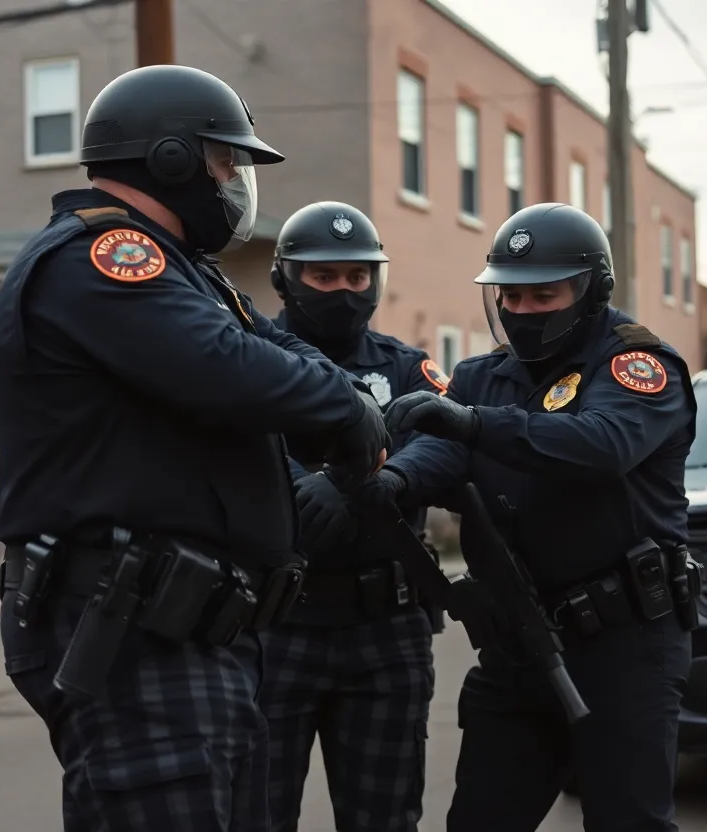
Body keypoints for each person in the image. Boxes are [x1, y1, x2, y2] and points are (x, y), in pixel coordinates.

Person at [0, 65, 390, 832]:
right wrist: (343, 409)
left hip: (199, 632)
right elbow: (237, 371)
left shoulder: (193, 278)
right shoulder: (101, 259)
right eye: (226, 161)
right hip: (134, 630)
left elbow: (288, 360)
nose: (236, 182)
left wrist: (333, 406)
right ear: (169, 159)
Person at [352, 203, 698, 831]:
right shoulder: (485, 375)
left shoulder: (634, 367)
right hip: (518, 641)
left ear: (591, 292)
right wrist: (395, 478)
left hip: (622, 646)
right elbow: (442, 445)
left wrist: (478, 424)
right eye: (510, 297)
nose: (524, 311)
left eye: (545, 295)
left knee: (629, 820)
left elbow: (601, 446)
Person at [257, 201, 450, 832]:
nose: (343, 291)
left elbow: (445, 440)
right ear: (286, 278)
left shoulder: (405, 365)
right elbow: (224, 439)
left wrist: (372, 479)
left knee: (385, 816)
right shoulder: (249, 357)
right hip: (273, 624)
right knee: (253, 811)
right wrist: (295, 488)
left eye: (356, 277)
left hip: (385, 630)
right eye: (324, 277)